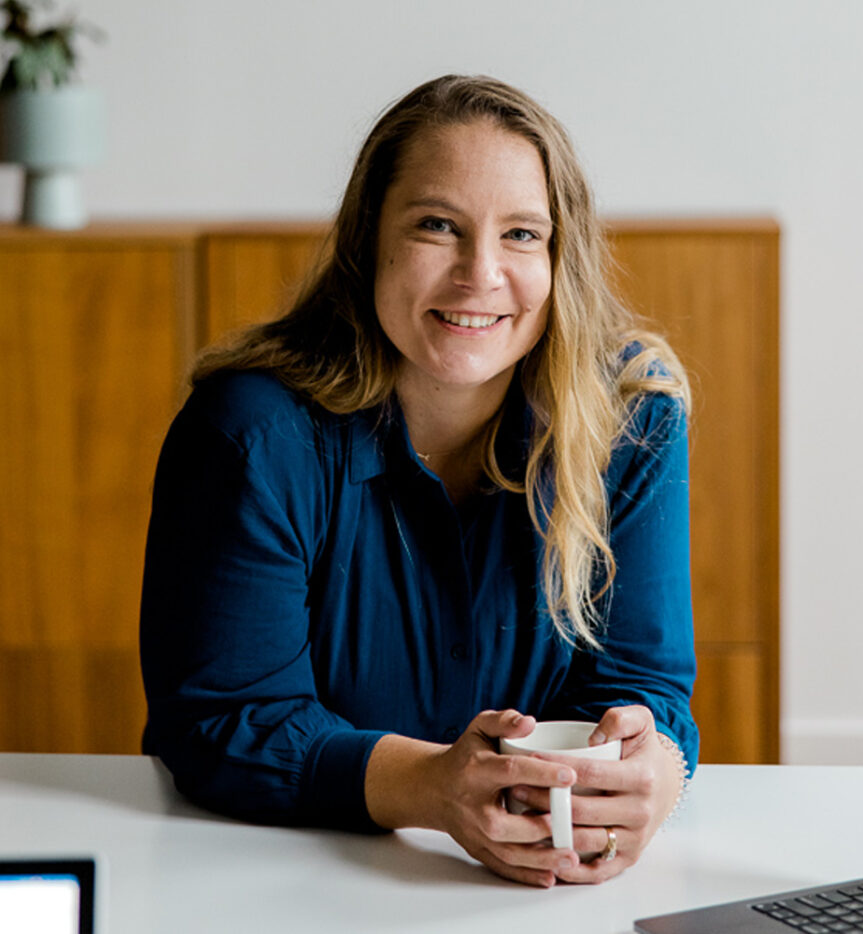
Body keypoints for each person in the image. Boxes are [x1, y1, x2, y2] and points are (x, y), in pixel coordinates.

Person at [140, 74, 697, 888]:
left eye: (520, 234)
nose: (480, 274)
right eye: (438, 226)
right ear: (369, 239)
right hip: (271, 879)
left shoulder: (633, 418)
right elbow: (227, 720)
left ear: (558, 256)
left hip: (541, 898)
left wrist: (655, 775)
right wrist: (432, 790)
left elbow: (646, 688)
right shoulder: (250, 435)